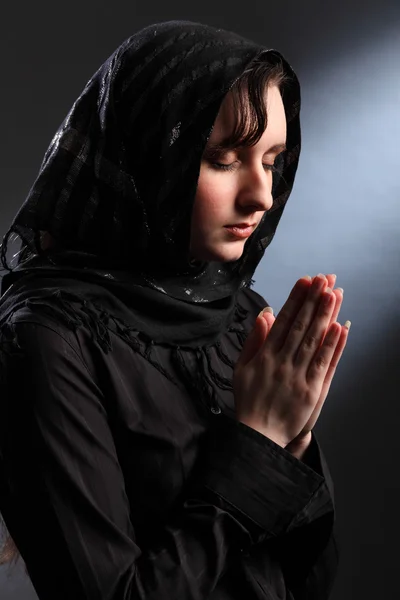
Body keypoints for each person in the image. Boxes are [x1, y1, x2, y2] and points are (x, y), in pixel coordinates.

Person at [0, 20, 350, 600]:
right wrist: (256, 448)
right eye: (224, 158)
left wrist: (295, 441)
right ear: (148, 154)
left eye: (271, 160)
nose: (262, 194)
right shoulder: (45, 340)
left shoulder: (240, 315)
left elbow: (308, 578)